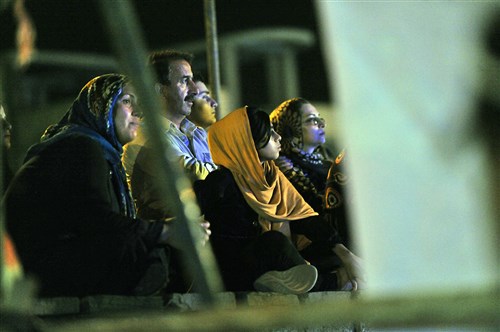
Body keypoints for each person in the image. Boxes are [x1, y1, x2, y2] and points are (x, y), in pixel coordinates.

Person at [3, 74, 207, 297]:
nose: (139, 111)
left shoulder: (99, 152)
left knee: (162, 248)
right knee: (158, 251)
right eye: (128, 101)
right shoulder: (79, 147)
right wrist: (166, 231)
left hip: (47, 266)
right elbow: (100, 223)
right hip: (35, 274)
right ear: (102, 106)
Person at [194, 106, 364, 293]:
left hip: (278, 263)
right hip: (237, 272)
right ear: (247, 142)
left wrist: (346, 255)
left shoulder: (272, 176)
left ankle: (287, 280)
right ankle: (334, 281)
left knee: (331, 252)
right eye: (269, 133)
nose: (278, 137)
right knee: (273, 243)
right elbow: (185, 206)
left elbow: (306, 219)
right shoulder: (222, 182)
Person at [123, 50, 217, 220]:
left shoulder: (198, 134)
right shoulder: (144, 136)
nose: (195, 89)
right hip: (169, 241)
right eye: (184, 81)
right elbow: (194, 174)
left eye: (192, 80)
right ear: (160, 90)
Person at [270, 98, 351, 245]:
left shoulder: (325, 156)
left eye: (320, 118)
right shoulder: (283, 166)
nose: (322, 124)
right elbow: (311, 208)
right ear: (291, 129)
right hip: (322, 239)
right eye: (312, 120)